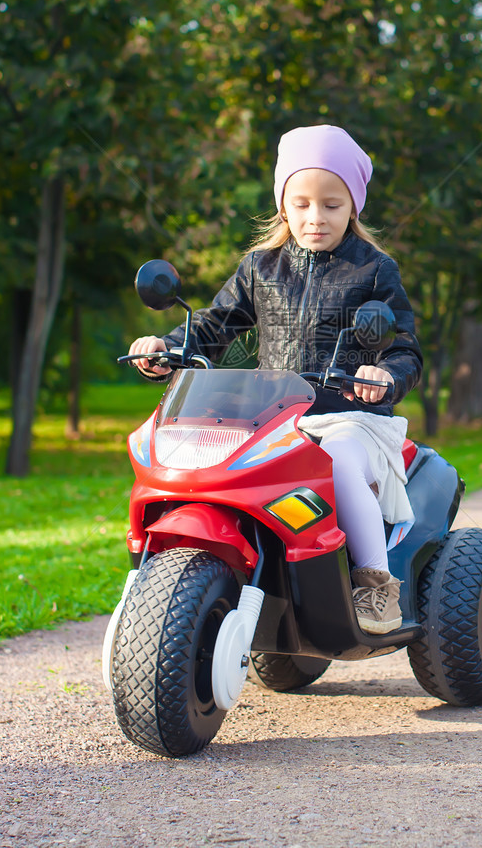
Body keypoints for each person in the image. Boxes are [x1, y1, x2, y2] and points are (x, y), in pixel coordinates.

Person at [129, 124, 423, 634]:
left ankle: (375, 582)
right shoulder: (259, 268)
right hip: (273, 417)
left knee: (340, 460)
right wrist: (170, 348)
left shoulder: (375, 270)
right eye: (303, 203)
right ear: (283, 204)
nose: (316, 217)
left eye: (332, 204)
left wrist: (385, 374)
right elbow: (215, 325)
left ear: (353, 205)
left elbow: (405, 348)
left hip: (348, 415)